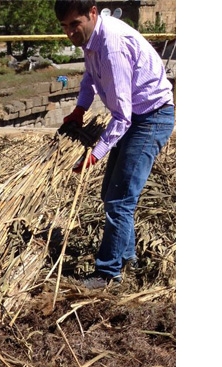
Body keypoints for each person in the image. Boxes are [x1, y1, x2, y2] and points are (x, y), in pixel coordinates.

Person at [55, 0, 175, 289]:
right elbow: (89, 77)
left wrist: (95, 155)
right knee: (111, 192)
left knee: (120, 200)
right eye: (65, 27)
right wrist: (80, 109)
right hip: (135, 117)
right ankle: (127, 257)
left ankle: (107, 274)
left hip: (150, 118)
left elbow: (121, 117)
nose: (71, 33)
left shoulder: (113, 46)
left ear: (93, 13)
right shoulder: (91, 38)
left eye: (75, 24)